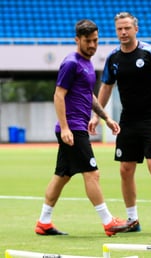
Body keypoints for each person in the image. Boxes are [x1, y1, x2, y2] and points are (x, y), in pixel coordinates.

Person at [35, 19, 129, 237]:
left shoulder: (87, 64)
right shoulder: (71, 63)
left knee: (62, 175)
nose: (93, 45)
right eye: (88, 41)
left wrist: (105, 117)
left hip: (75, 127)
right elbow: (59, 95)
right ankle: (108, 222)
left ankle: (43, 222)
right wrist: (66, 128)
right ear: (77, 39)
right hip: (73, 129)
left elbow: (89, 96)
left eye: (95, 40)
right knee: (92, 173)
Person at [89, 12, 151, 233]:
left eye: (127, 28)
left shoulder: (150, 54)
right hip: (129, 120)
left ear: (136, 29)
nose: (123, 32)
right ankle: (132, 220)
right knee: (125, 169)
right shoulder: (113, 58)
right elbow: (106, 87)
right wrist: (97, 115)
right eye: (119, 29)